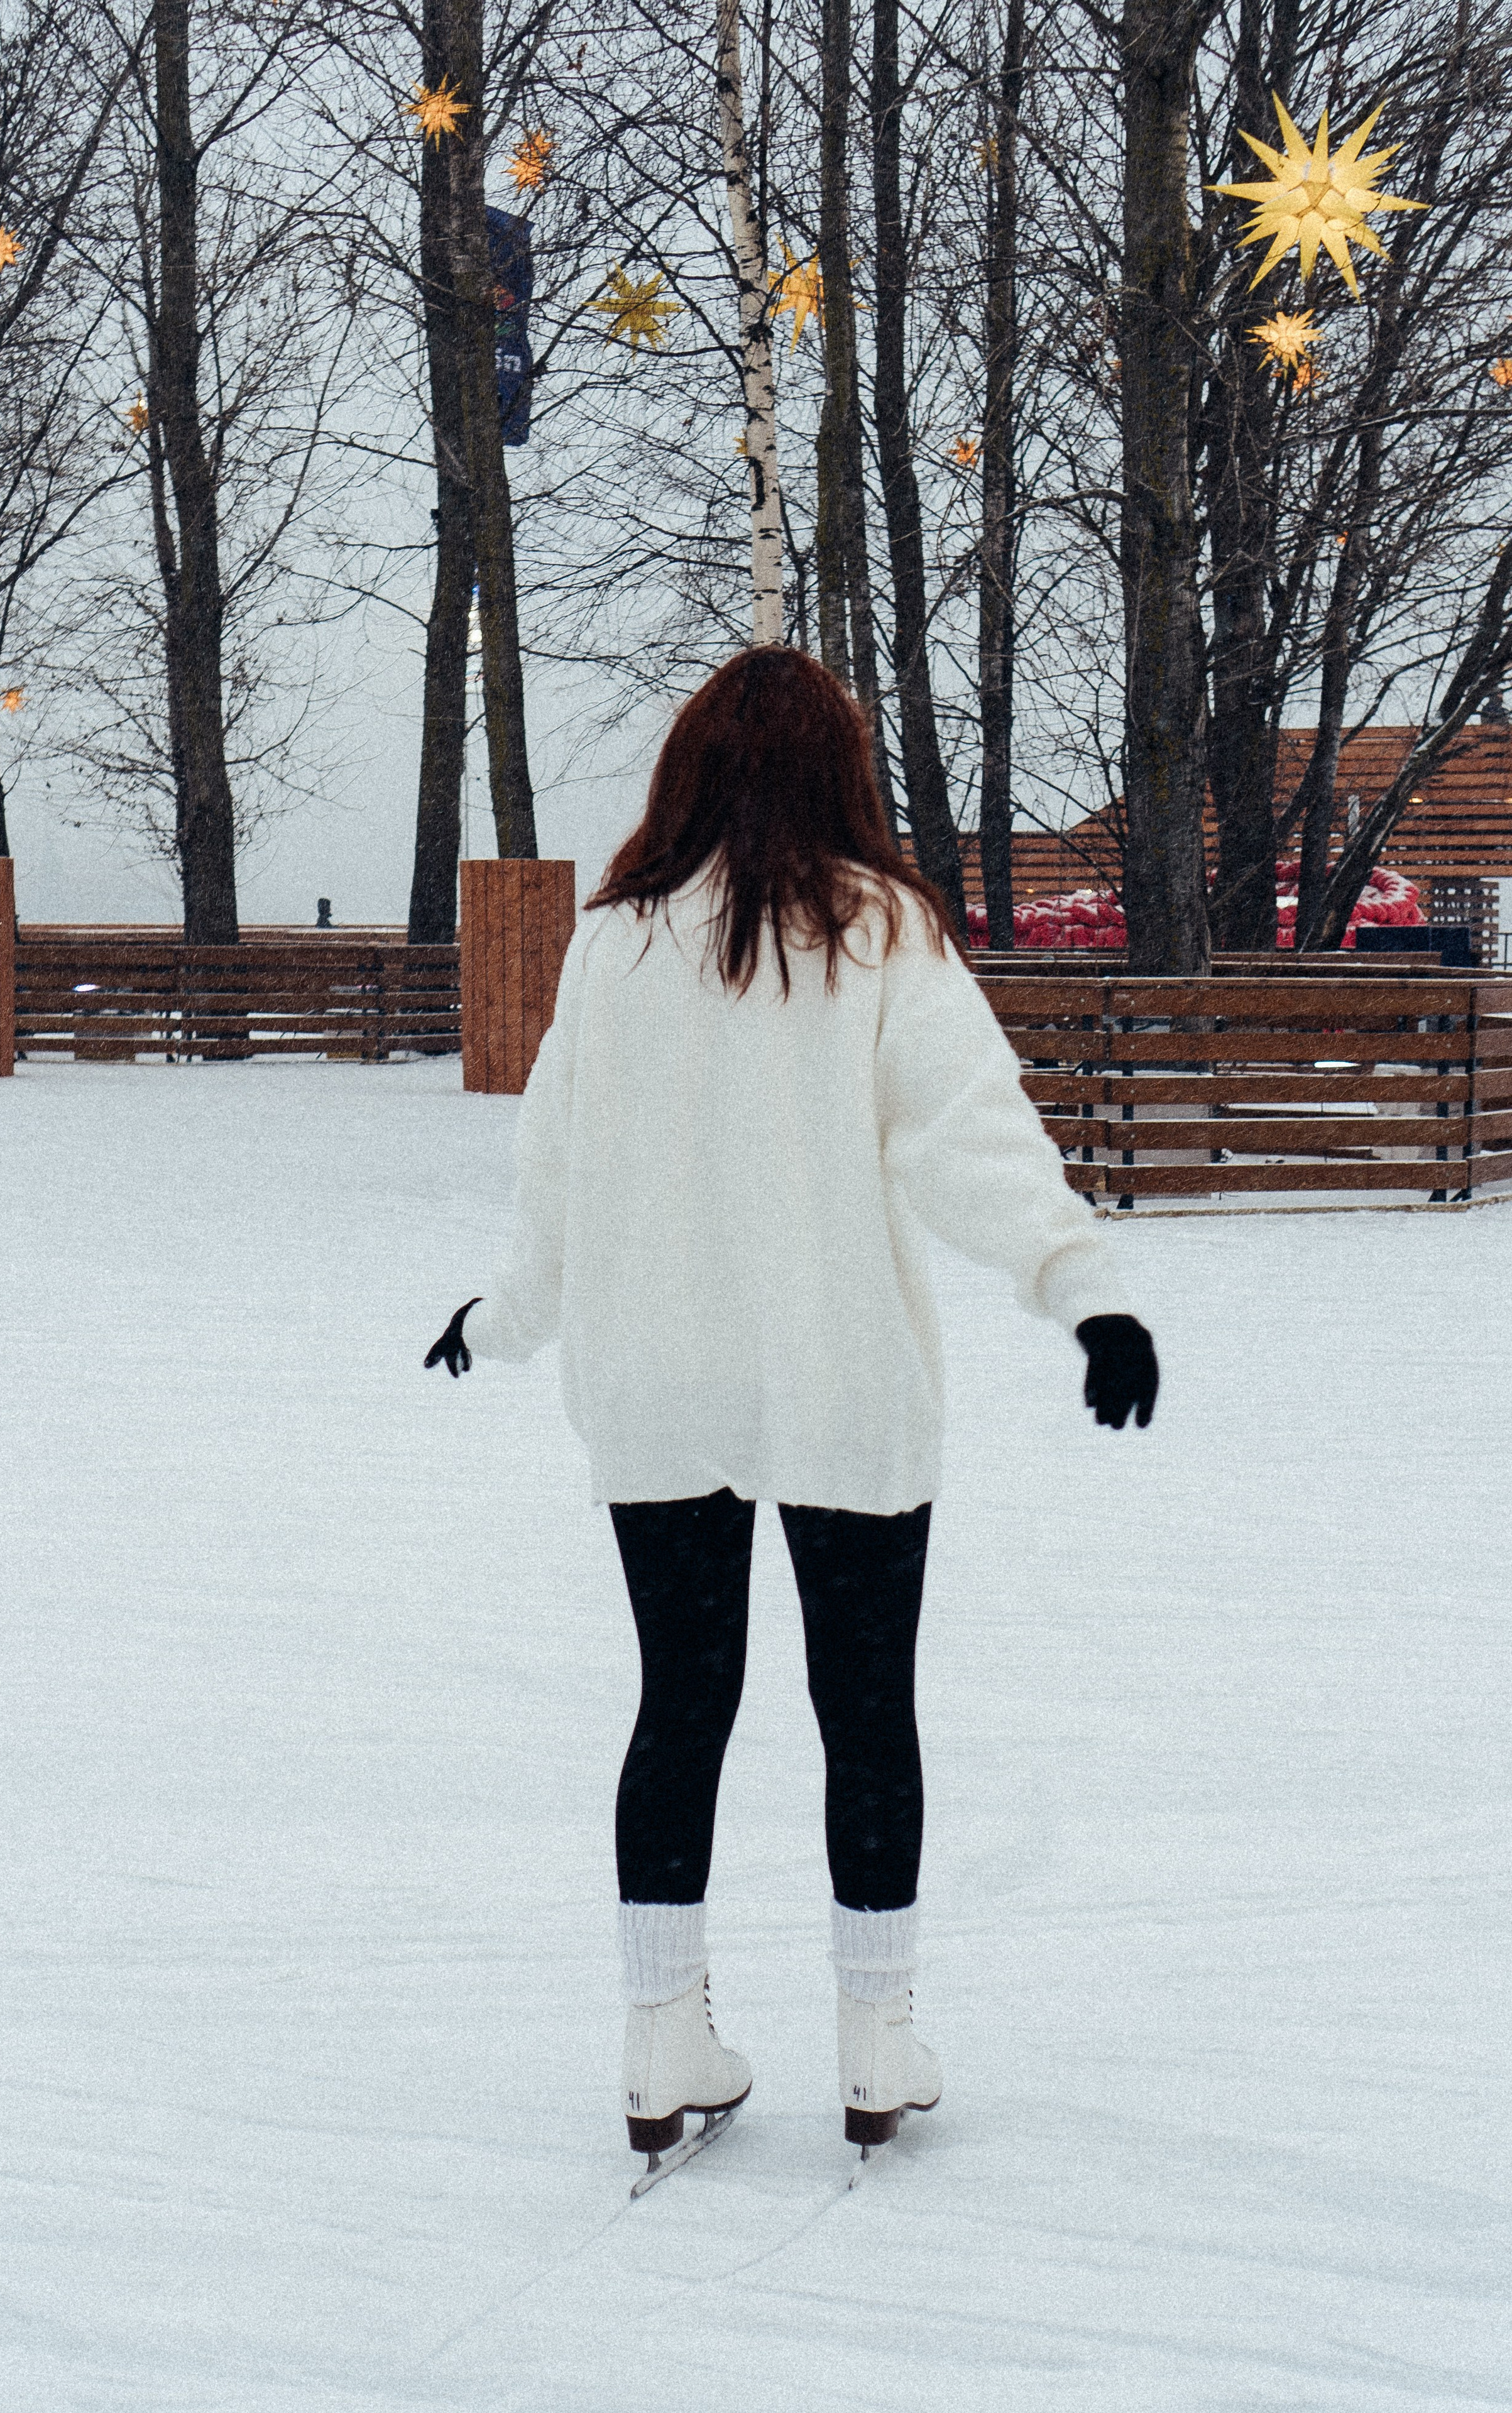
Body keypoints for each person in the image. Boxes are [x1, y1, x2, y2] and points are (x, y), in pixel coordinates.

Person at [427, 647, 1158, 2165]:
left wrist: (500, 1323)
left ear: (686, 770)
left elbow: (554, 1174)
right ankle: (876, 2038)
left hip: (656, 1375)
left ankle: (658, 2037)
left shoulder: (612, 944)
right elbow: (970, 1135)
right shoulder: (877, 930)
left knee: (679, 1703)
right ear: (840, 772)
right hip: (837, 1376)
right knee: (864, 1706)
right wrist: (1080, 1291)